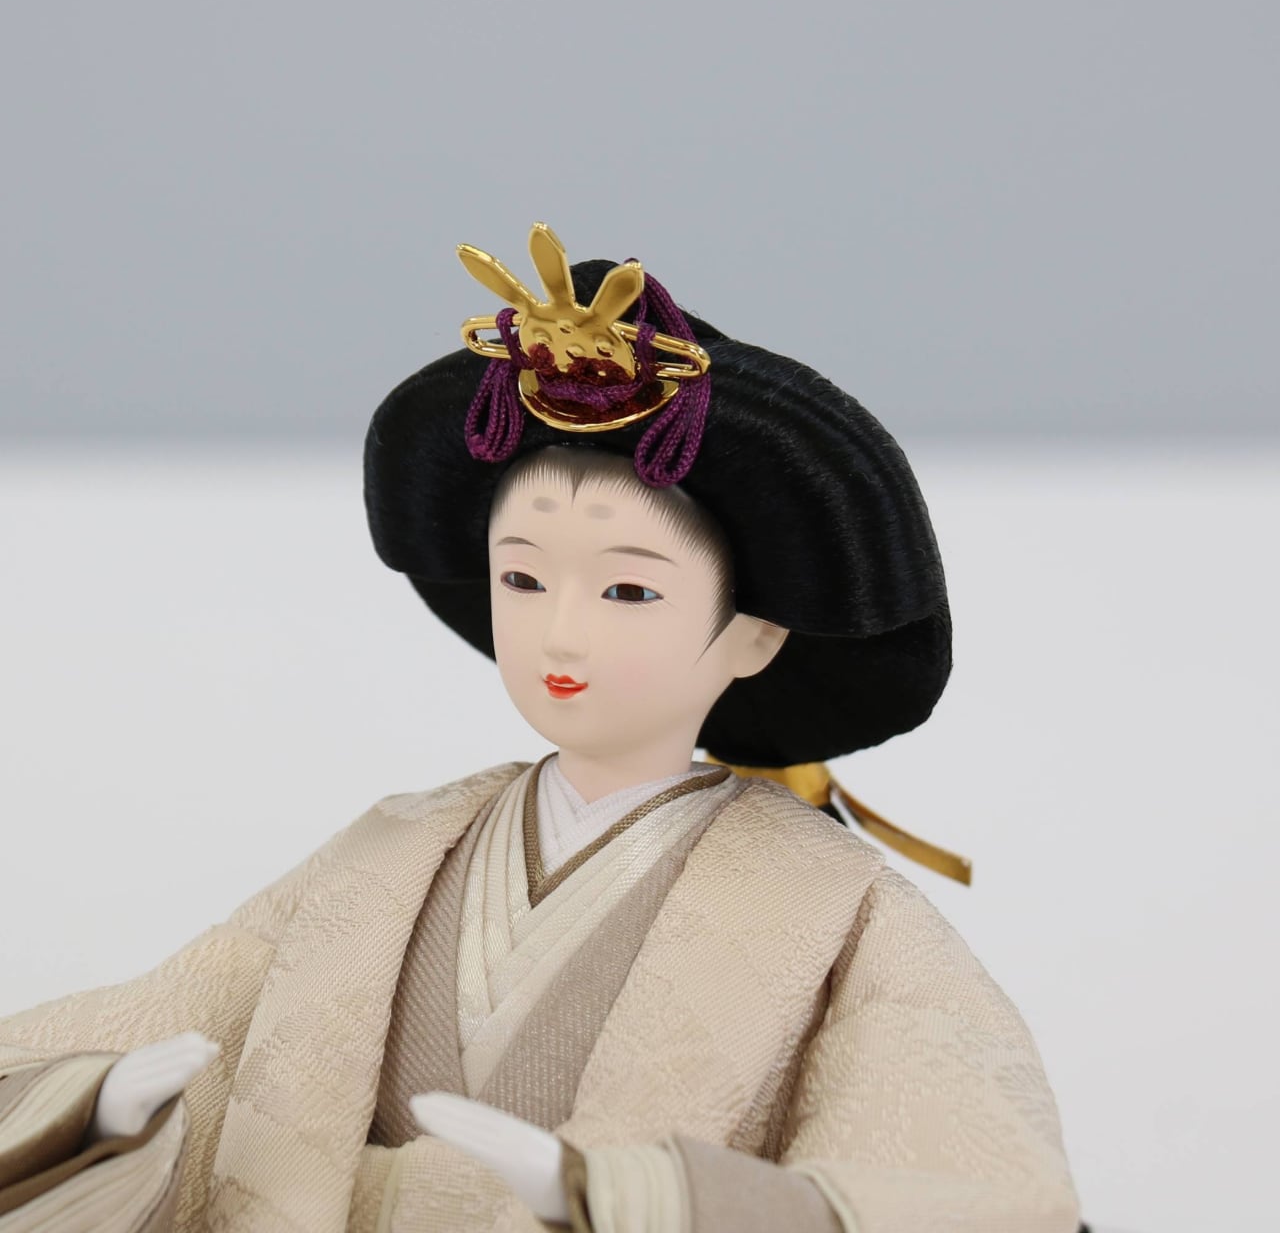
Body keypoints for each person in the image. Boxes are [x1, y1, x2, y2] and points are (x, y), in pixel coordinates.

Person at [0, 226, 1081, 1231]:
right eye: (522, 578)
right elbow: (186, 1011)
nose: (560, 632)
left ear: (753, 633)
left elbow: (953, 1151)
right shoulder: (391, 848)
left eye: (628, 591)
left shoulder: (835, 901)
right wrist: (96, 1112)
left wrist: (641, 1198)